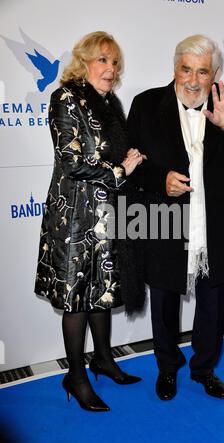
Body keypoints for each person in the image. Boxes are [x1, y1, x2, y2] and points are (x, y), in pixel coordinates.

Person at [127, 34, 224, 401]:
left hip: (213, 222)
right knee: (164, 298)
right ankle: (167, 368)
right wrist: (159, 179)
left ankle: (204, 369)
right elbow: (131, 164)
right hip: (163, 219)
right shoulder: (145, 104)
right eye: (186, 69)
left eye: (203, 71)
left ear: (215, 73)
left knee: (212, 301)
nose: (194, 80)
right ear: (174, 68)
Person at [35, 31, 145, 412]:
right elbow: (72, 160)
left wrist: (129, 159)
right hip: (75, 217)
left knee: (102, 289)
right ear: (83, 62)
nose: (111, 69)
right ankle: (76, 376)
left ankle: (103, 359)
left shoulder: (109, 102)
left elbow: (112, 151)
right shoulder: (64, 97)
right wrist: (119, 171)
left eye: (115, 62)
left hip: (107, 215)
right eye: (103, 60)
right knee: (76, 297)